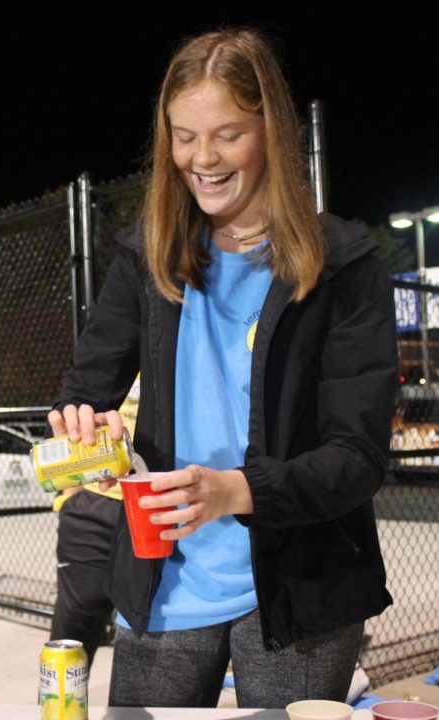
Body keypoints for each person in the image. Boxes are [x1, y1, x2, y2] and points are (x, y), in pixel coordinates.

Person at [48, 29, 396, 709]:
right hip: (165, 583)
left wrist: (233, 492)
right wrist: (82, 424)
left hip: (299, 597)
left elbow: (356, 458)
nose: (201, 159)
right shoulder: (143, 258)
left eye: (227, 135)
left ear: (272, 130)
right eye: (183, 136)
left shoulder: (345, 267)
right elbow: (86, 386)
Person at [49, 374, 139, 669]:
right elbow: (77, 403)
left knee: (151, 645)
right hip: (95, 501)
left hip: (159, 503)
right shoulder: (113, 339)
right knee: (70, 643)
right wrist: (70, 494)